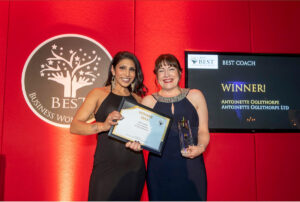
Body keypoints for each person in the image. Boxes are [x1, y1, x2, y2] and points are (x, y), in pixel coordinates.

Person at [70, 51, 147, 201]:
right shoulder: (98, 93)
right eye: (122, 68)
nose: (127, 73)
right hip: (107, 167)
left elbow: (143, 134)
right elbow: (75, 126)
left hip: (134, 168)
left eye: (132, 69)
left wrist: (142, 144)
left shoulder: (139, 99)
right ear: (113, 70)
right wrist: (104, 126)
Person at [142, 54, 210, 201]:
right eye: (161, 70)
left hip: (192, 166)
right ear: (156, 75)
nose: (166, 74)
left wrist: (201, 147)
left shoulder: (195, 95)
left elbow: (203, 131)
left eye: (171, 69)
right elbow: (140, 135)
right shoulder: (148, 101)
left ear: (180, 72)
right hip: (159, 169)